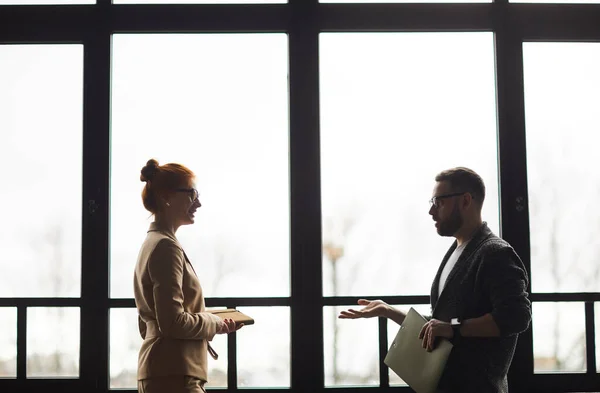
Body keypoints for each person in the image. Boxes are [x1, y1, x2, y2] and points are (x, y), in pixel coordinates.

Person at [339, 167, 531, 393]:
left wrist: (453, 328)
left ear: (465, 201)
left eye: (438, 202)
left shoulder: (495, 253)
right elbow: (441, 325)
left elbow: (516, 317)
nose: (431, 211)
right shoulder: (457, 251)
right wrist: (389, 311)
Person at [134, 159, 242, 393]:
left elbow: (148, 323)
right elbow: (173, 322)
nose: (199, 203)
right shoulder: (166, 247)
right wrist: (214, 322)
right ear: (166, 196)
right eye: (192, 193)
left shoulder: (152, 243)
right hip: (174, 375)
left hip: (165, 372)